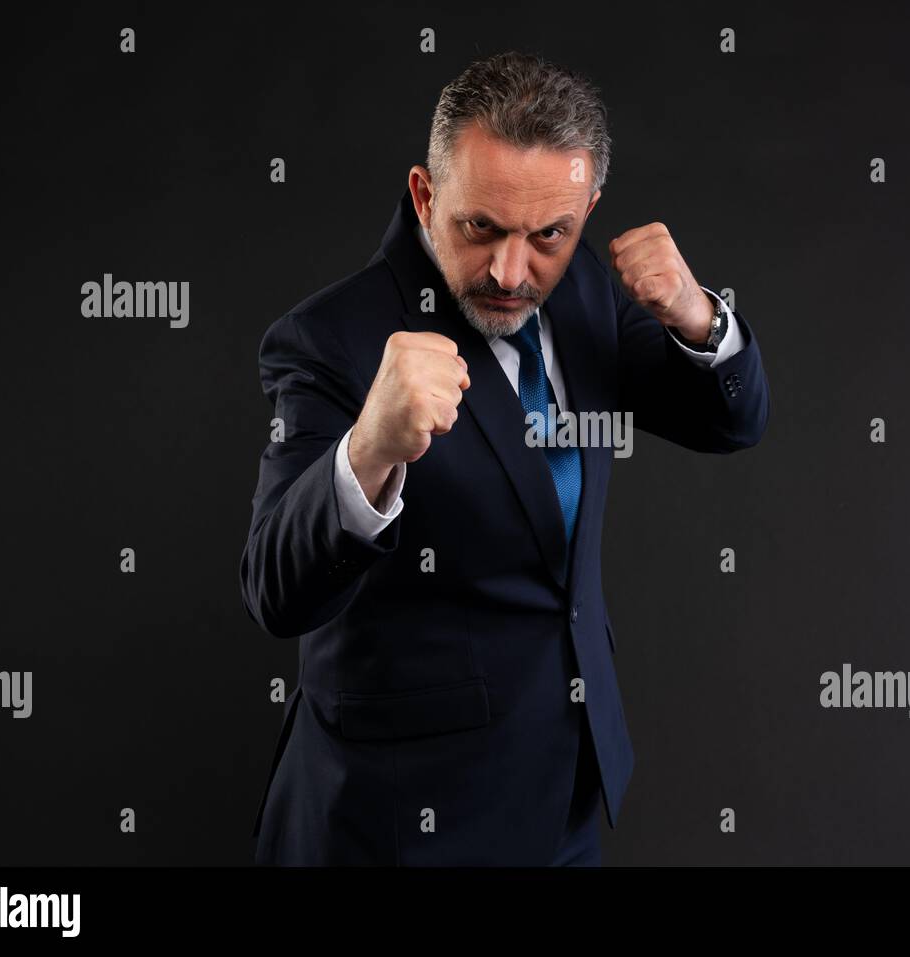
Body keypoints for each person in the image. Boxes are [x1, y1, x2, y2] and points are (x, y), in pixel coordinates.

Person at [240, 50, 769, 865]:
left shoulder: (584, 288)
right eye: (479, 227)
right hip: (399, 823)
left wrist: (698, 317)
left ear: (587, 209)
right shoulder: (329, 340)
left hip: (565, 794)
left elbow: (729, 422)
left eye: (548, 234)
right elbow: (275, 590)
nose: (511, 272)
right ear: (425, 195)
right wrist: (369, 449)